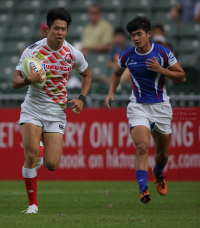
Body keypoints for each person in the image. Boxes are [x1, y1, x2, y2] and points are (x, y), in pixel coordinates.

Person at [12, 7, 92, 213]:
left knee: (51, 164)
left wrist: (82, 99)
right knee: (30, 156)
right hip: (32, 108)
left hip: (56, 111)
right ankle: (32, 205)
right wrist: (30, 79)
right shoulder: (32, 51)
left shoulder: (73, 54)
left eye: (64, 29)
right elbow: (15, 82)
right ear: (47, 28)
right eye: (56, 28)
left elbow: (87, 75)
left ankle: (40, 151)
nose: (60, 33)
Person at [105, 16, 185, 203]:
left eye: (139, 34)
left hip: (161, 107)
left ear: (149, 34)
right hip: (138, 106)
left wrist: (161, 70)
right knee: (142, 146)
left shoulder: (163, 53)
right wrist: (110, 92)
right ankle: (143, 189)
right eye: (132, 35)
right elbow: (116, 74)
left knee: (162, 155)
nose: (135, 38)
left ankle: (157, 173)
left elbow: (182, 76)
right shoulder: (127, 56)